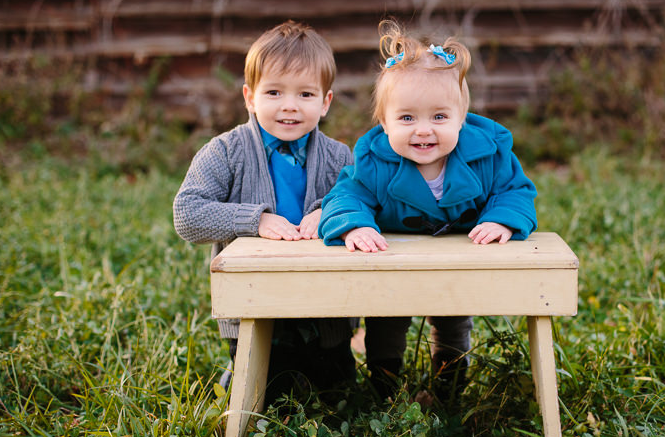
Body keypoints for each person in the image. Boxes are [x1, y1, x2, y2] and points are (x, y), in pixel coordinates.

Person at [318, 20, 538, 404]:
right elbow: (346, 195)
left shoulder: (487, 155)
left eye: (439, 117)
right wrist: (354, 226)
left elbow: (515, 189)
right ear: (384, 123)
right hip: (391, 262)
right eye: (407, 118)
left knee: (453, 317)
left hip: (454, 262)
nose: (424, 131)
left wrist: (501, 218)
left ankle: (449, 385)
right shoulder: (375, 161)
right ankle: (384, 386)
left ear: (461, 117)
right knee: (386, 318)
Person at [173, 20, 356, 402]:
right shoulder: (225, 152)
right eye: (274, 92)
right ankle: (239, 372)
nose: (289, 105)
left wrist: (329, 210)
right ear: (250, 97)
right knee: (269, 396)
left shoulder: (339, 156)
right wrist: (255, 220)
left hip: (326, 313)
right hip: (255, 310)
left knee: (338, 398)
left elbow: (364, 199)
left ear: (325, 102)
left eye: (305, 94)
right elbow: (187, 213)